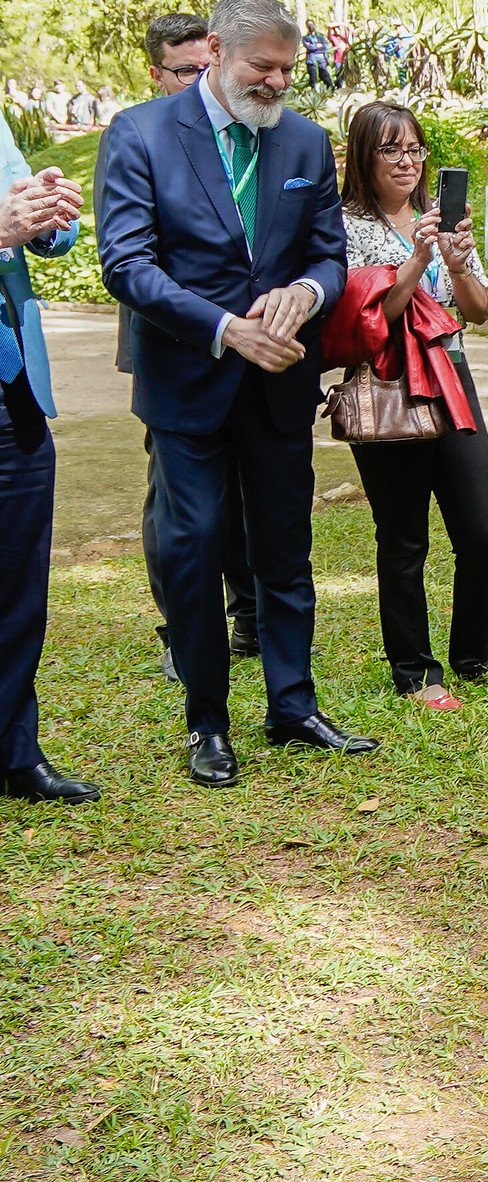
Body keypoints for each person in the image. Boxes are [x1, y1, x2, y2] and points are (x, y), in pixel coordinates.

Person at [98, 0, 372, 787]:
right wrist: (224, 327)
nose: (279, 81)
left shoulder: (306, 140)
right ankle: (208, 723)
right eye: (265, 68)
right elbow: (127, 263)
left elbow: (327, 256)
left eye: (290, 68)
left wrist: (307, 297)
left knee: (286, 549)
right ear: (218, 52)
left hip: (281, 382)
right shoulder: (142, 133)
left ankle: (293, 705)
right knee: (193, 550)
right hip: (189, 383)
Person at [339, 101, 488, 711]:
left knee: (482, 532)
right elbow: (371, 320)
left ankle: (474, 654)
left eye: (414, 149)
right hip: (391, 384)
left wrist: (452, 258)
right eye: (391, 149)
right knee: (403, 538)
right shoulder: (346, 227)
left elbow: (478, 309)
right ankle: (414, 670)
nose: (407, 161)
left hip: (453, 376)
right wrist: (415, 260)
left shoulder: (436, 221)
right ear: (364, 158)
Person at [103, 13, 256, 685]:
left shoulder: (249, 132)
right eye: (186, 70)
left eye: (208, 66)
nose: (201, 80)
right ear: (156, 73)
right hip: (170, 340)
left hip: (255, 343)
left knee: (250, 488)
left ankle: (249, 610)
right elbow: (131, 259)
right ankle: (181, 626)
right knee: (175, 495)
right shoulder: (140, 135)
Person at [0, 114, 96, 804]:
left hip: (14, 383)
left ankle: (14, 751)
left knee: (18, 587)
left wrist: (50, 212)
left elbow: (33, 230)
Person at [302, 21, 333, 88]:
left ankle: (331, 90)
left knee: (325, 76)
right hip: (311, 60)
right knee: (313, 78)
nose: (311, 26)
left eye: (312, 24)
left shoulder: (320, 36)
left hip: (322, 59)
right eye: (309, 25)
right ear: (307, 26)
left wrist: (314, 45)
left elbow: (325, 46)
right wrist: (318, 45)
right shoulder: (305, 38)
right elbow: (309, 47)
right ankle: (314, 91)